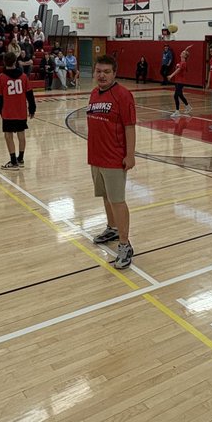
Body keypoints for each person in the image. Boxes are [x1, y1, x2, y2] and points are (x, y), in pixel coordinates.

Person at [87, 54, 136, 269]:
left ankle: (125, 245)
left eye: (106, 72)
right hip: (96, 157)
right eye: (98, 71)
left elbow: (130, 126)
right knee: (106, 196)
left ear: (114, 73)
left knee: (117, 200)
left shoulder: (123, 95)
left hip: (114, 157)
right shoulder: (94, 93)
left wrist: (130, 154)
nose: (102, 75)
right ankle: (112, 228)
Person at [0, 51, 36, 170]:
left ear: (4, 62)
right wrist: (32, 109)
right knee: (21, 134)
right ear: (15, 62)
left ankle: (13, 162)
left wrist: (0, 110)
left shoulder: (1, 78)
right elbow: (30, 95)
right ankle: (21, 159)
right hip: (21, 111)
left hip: (8, 112)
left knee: (8, 136)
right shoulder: (23, 77)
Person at [167, 47, 192, 118]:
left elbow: (178, 70)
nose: (181, 53)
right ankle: (188, 106)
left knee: (176, 95)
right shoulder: (181, 62)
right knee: (180, 95)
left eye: (183, 53)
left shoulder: (183, 63)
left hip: (180, 82)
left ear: (185, 56)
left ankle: (177, 111)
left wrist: (171, 75)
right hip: (177, 81)